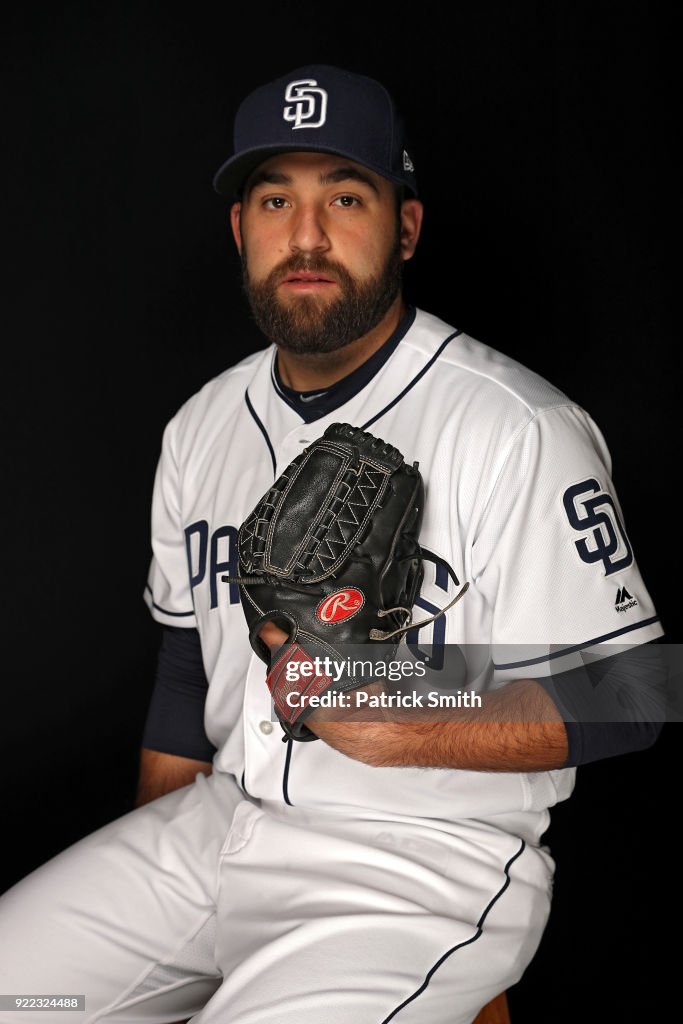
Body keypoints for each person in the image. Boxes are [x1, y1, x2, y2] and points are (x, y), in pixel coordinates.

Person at [0, 63, 666, 1024]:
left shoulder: (514, 423)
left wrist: (404, 710)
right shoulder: (201, 425)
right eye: (275, 199)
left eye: (344, 197)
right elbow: (190, 668)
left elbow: (640, 690)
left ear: (404, 226)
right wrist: (146, 898)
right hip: (217, 831)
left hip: (413, 869)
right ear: (240, 229)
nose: (304, 236)